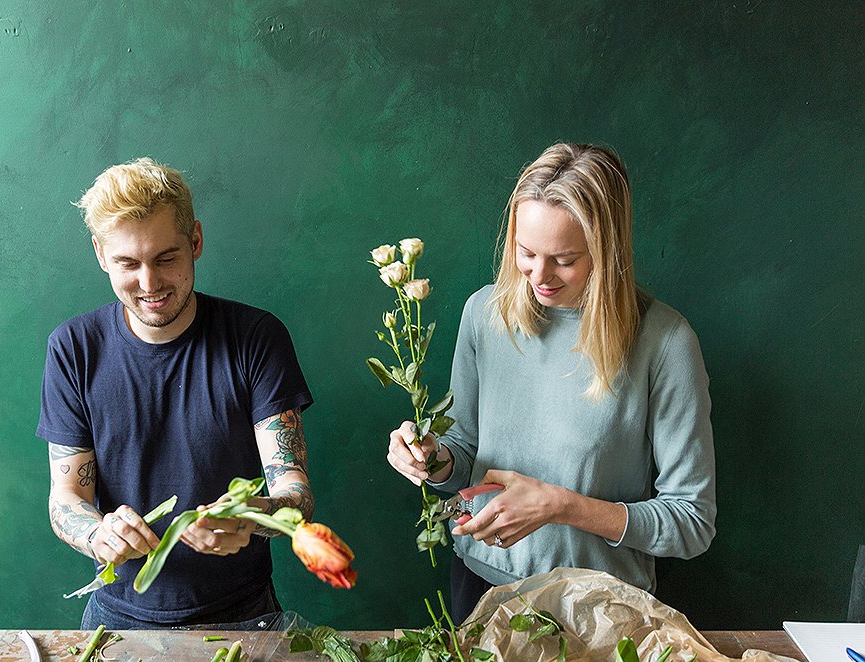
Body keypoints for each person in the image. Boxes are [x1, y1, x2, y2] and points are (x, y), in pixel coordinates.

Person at [386, 143, 717, 623]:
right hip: (480, 590)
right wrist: (432, 460)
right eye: (526, 252)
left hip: (599, 610)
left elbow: (691, 523)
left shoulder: (665, 342)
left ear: (606, 251)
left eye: (564, 259)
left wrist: (564, 507)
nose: (539, 276)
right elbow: (466, 458)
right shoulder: (484, 313)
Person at [37, 158, 314, 629]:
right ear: (101, 254)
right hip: (116, 619)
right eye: (127, 262)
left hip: (244, 616)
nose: (149, 284)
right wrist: (97, 533)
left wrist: (256, 515)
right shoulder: (74, 348)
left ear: (196, 241)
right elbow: (66, 497)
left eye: (166, 258)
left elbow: (296, 492)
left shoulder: (256, 337)